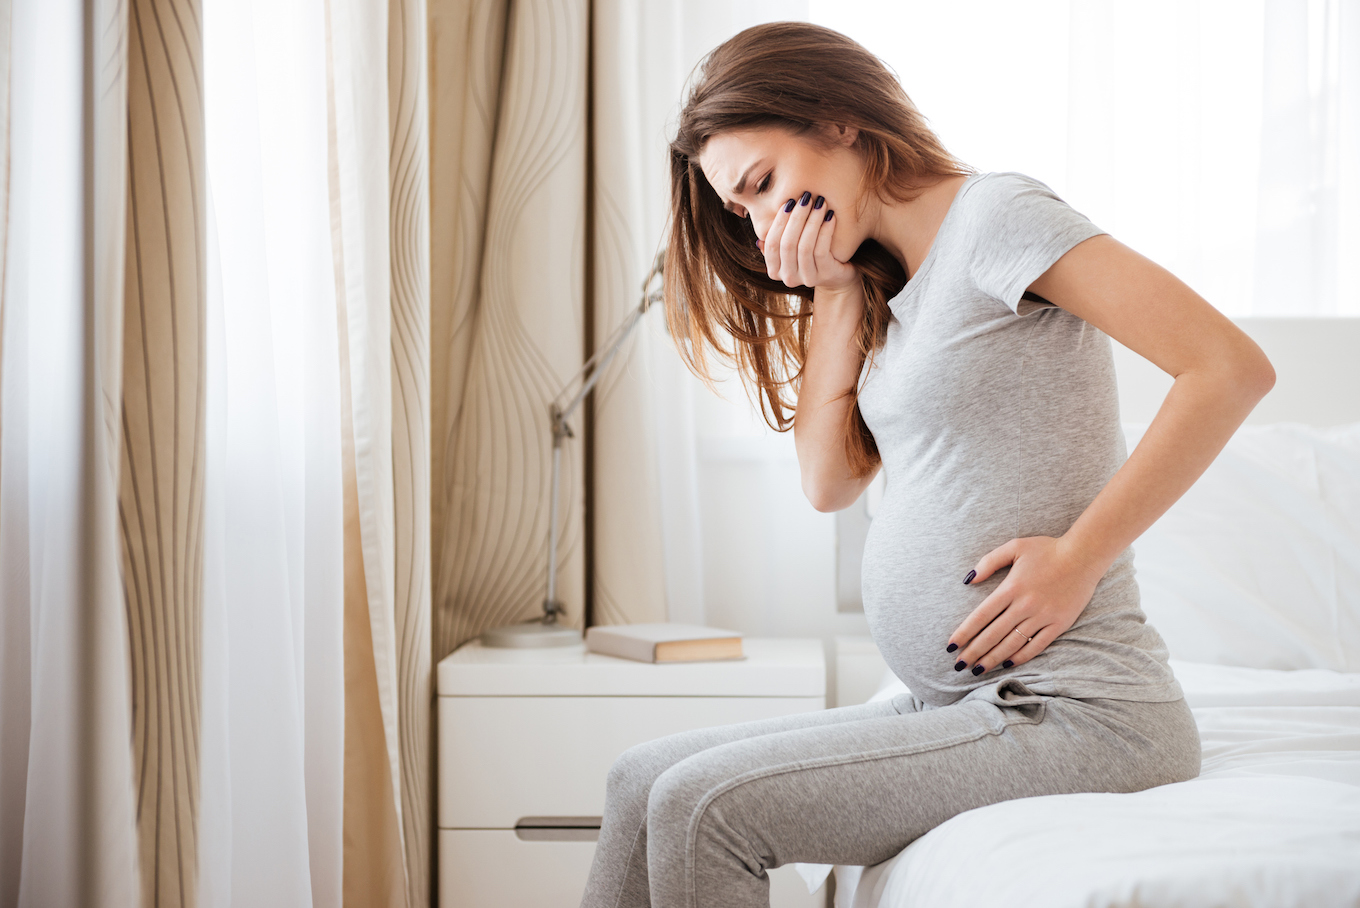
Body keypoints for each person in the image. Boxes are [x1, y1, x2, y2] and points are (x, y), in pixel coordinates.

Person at [580, 21, 1274, 908]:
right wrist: (831, 289)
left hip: (1079, 710)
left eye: (762, 184)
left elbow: (1228, 367)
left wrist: (1080, 557)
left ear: (837, 120)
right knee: (639, 779)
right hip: (960, 703)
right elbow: (828, 484)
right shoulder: (885, 287)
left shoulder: (998, 217)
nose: (763, 226)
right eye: (744, 212)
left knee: (704, 807)